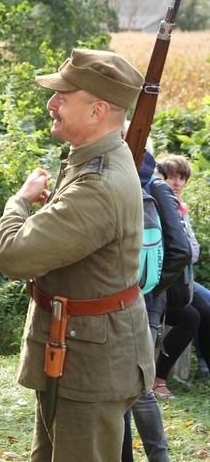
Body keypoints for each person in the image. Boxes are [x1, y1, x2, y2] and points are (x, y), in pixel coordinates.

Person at [0, 48, 154, 461]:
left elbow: (12, 256)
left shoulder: (97, 183)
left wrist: (19, 202)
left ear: (98, 110)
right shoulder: (93, 161)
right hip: (75, 349)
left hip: (89, 360)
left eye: (64, 95)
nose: (52, 103)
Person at [122, 148, 191, 462]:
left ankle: (157, 457)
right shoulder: (147, 182)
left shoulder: (148, 185)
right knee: (127, 385)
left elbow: (181, 252)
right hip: (144, 298)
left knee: (135, 386)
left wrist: (151, 289)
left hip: (141, 300)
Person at [151, 153, 210, 397]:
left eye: (181, 177)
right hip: (164, 280)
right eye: (171, 176)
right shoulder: (159, 203)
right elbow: (175, 251)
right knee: (194, 316)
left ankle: (203, 366)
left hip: (180, 278)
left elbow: (191, 249)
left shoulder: (180, 206)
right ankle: (158, 379)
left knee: (206, 308)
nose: (176, 182)